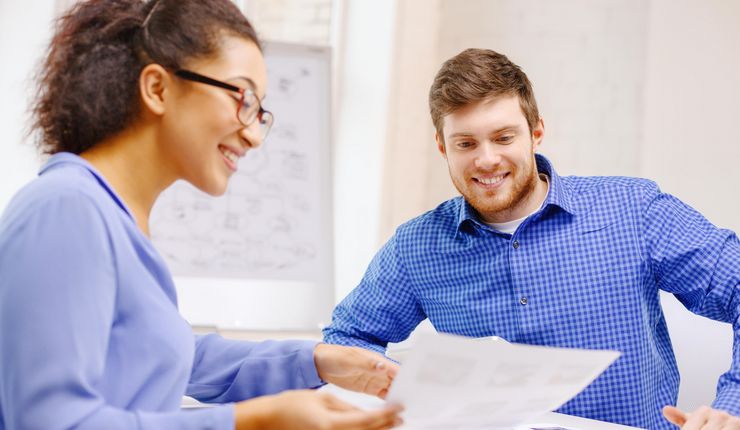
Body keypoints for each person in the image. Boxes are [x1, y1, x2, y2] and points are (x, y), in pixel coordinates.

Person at [0, 1, 403, 429]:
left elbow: (166, 354)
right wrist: (251, 422)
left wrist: (317, 360)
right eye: (242, 97)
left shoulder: (112, 218)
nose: (253, 134)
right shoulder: (66, 210)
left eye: (260, 111)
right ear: (157, 88)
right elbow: (50, 421)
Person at [323, 48, 740, 430]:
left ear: (536, 132)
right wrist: (410, 397)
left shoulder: (633, 209)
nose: (486, 159)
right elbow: (347, 340)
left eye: (504, 137)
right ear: (441, 147)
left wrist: (730, 409)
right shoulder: (416, 246)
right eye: (465, 143)